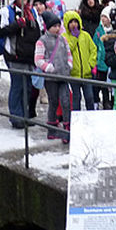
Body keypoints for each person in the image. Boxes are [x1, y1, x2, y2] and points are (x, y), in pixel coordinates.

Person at [0, 0, 39, 129]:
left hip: (29, 55)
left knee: (28, 87)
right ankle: (16, 116)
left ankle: (25, 115)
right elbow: (0, 32)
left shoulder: (32, 12)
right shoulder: (6, 12)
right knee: (18, 85)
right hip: (15, 55)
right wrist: (16, 25)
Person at [35, 10, 73, 143]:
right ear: (48, 27)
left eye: (58, 25)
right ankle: (51, 129)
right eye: (54, 26)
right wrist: (49, 68)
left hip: (63, 75)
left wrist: (69, 64)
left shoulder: (62, 39)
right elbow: (38, 59)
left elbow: (68, 53)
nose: (57, 28)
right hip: (51, 77)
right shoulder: (42, 41)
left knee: (66, 101)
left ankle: (67, 128)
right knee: (54, 102)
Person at [63, 9, 98, 112]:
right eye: (71, 22)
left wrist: (91, 64)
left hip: (87, 73)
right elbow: (67, 50)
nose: (74, 25)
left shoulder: (85, 35)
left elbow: (93, 49)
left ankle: (90, 116)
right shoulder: (64, 37)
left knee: (89, 97)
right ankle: (76, 117)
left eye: (75, 22)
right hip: (74, 74)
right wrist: (74, 38)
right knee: (76, 98)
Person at [92, 4, 114, 109]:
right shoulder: (98, 31)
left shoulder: (114, 31)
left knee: (109, 86)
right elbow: (94, 45)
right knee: (99, 85)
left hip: (110, 62)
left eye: (105, 17)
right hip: (100, 63)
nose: (103, 19)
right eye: (102, 16)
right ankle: (98, 102)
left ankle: (108, 102)